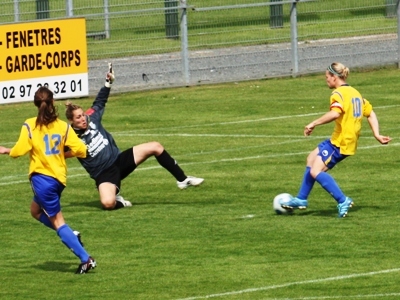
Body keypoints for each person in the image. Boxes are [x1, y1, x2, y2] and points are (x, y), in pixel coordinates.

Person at [64, 63, 204, 210]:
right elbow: (59, 152)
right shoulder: (70, 137)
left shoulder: (92, 117)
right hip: (104, 174)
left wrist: (108, 82)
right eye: (78, 117)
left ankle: (183, 179)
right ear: (72, 121)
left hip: (119, 161)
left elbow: (100, 101)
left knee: (155, 147)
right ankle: (120, 201)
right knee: (107, 203)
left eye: (83, 115)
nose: (83, 119)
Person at [0, 86, 96, 274]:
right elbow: (81, 150)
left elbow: (19, 151)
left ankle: (86, 258)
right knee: (35, 211)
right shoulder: (63, 126)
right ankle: (71, 235)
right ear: (52, 102)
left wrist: (6, 150)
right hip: (59, 179)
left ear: (36, 104)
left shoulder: (30, 125)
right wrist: (62, 154)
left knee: (59, 222)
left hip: (42, 181)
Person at [280, 62, 392, 218]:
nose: (326, 80)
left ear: (334, 77)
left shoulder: (338, 94)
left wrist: (313, 123)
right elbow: (370, 113)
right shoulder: (355, 93)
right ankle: (301, 198)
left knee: (315, 171)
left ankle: (342, 200)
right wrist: (377, 134)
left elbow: (335, 113)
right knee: (311, 158)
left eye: (327, 77)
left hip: (342, 142)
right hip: (339, 138)